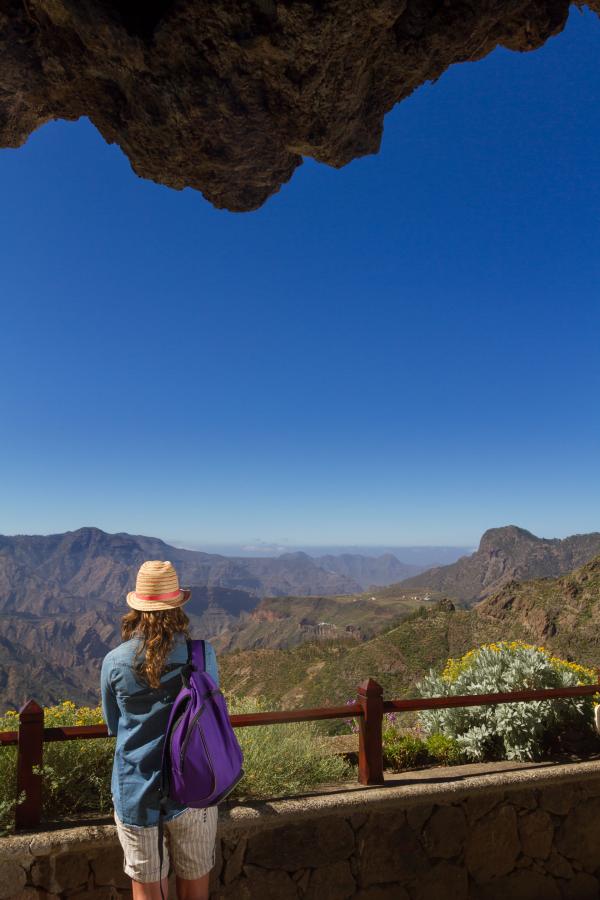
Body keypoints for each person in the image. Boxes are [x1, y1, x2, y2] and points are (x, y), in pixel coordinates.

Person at [101, 560, 219, 900]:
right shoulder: (202, 654)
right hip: (194, 788)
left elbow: (113, 724)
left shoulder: (114, 662)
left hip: (137, 791)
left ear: (136, 608)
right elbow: (209, 714)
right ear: (178, 606)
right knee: (195, 888)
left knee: (148, 893)